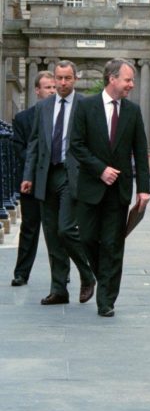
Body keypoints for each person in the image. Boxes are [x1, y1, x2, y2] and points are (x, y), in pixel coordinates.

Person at [70, 58, 150, 317]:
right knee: (87, 238)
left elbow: (140, 149)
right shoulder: (85, 106)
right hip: (90, 188)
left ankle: (106, 299)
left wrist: (144, 189)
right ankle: (97, 276)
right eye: (127, 80)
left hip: (119, 191)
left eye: (132, 81)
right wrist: (100, 169)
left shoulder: (133, 111)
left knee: (113, 246)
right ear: (111, 79)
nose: (131, 84)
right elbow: (76, 144)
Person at [22, 60, 96, 306]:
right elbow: (34, 143)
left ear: (75, 79)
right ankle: (59, 289)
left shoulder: (85, 104)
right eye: (59, 79)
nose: (62, 83)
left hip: (71, 174)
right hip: (46, 174)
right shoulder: (43, 106)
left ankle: (87, 274)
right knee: (52, 235)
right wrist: (28, 176)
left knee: (65, 229)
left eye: (67, 78)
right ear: (54, 79)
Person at [10, 72, 55, 287]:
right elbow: (20, 150)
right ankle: (21, 273)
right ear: (37, 90)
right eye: (47, 87)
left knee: (58, 231)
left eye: (54, 87)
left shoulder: (64, 116)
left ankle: (60, 276)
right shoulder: (22, 119)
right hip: (32, 182)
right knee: (29, 228)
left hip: (56, 183)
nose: (52, 91)